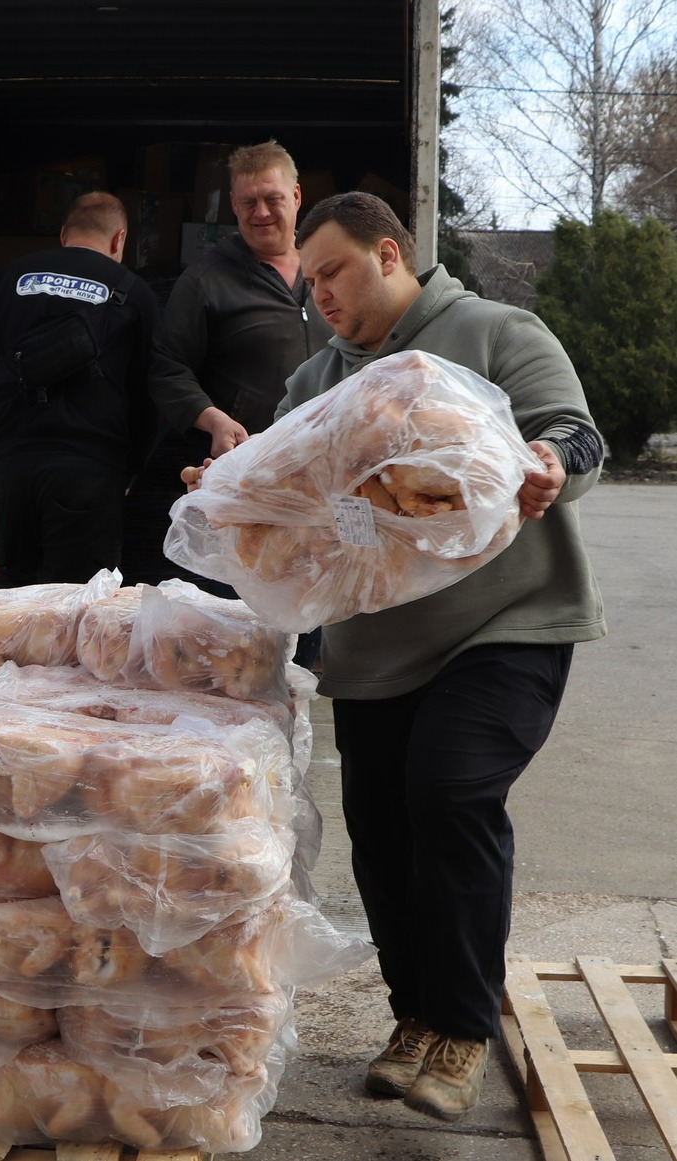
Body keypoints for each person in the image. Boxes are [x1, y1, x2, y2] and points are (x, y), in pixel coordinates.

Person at [276, 192, 606, 1120]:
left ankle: (461, 1028)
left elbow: (580, 437)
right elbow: (281, 486)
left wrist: (545, 459)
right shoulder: (314, 385)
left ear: (389, 254)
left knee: (450, 790)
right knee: (380, 835)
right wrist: (230, 491)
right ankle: (413, 1016)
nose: (320, 297)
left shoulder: (497, 331)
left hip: (507, 622)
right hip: (376, 646)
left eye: (332, 272)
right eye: (309, 283)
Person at [123, 140, 330, 664]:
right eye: (247, 202)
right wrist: (211, 416)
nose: (261, 212)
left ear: (297, 196)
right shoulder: (207, 278)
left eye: (272, 198)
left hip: (323, 479)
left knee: (314, 615)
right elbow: (166, 367)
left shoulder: (328, 269)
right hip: (245, 480)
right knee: (244, 633)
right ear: (232, 207)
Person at [0, 191, 160, 587]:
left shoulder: (10, 278)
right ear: (119, 239)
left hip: (13, 466)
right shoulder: (133, 293)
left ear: (64, 233)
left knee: (15, 593)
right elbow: (151, 396)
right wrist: (131, 468)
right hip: (90, 471)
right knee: (82, 603)